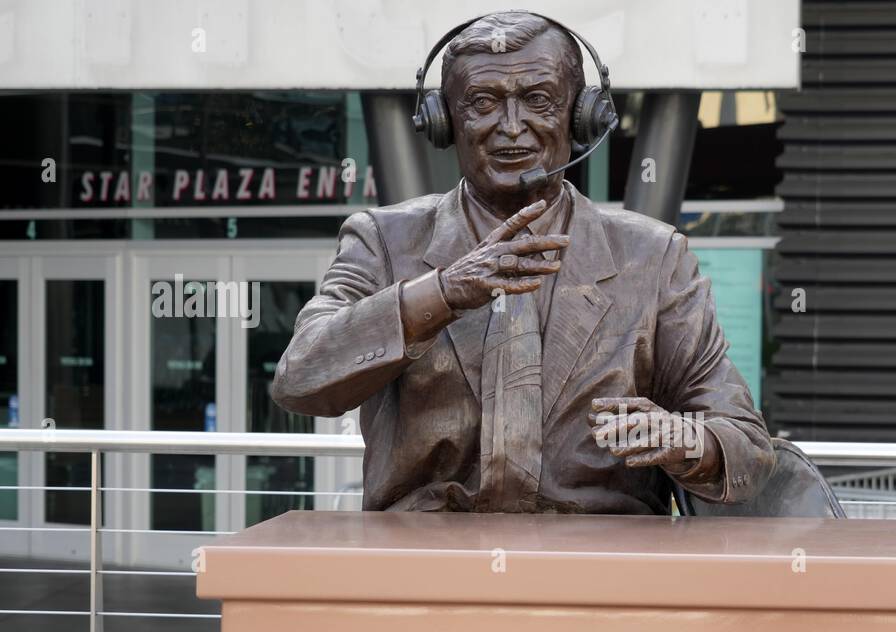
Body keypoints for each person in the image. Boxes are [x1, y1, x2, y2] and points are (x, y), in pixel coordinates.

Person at [271, 10, 773, 514]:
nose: (511, 128)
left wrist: (688, 440)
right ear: (444, 120)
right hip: (425, 566)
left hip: (597, 569)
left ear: (581, 115)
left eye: (538, 100)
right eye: (483, 103)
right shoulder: (383, 239)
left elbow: (747, 444)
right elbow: (300, 379)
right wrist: (442, 293)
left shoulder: (653, 256)